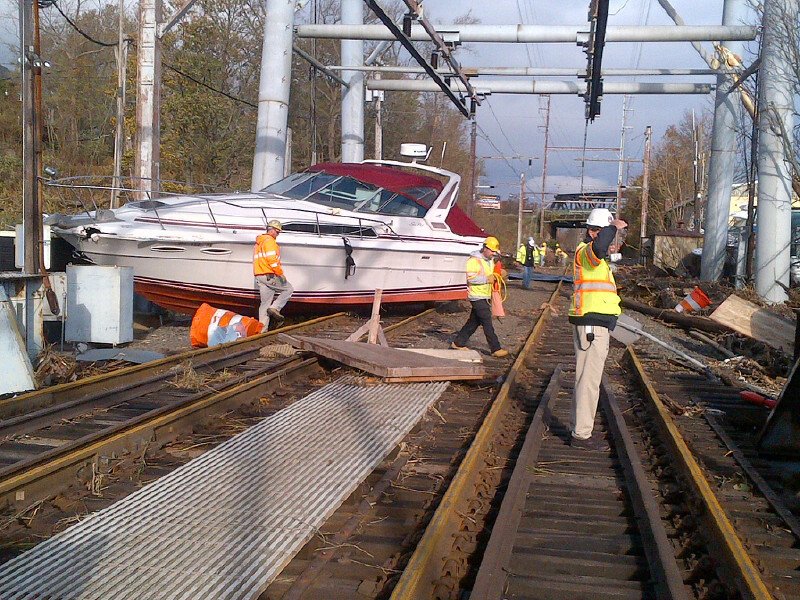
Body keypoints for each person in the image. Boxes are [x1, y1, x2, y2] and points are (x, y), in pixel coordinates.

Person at [568, 208, 628, 450]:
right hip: (591, 325)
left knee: (589, 379)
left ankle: (581, 430)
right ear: (596, 232)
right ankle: (581, 435)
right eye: (607, 233)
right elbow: (600, 249)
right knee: (588, 381)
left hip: (596, 323)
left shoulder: (595, 258)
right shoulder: (586, 252)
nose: (614, 240)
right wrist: (614, 226)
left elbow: (605, 253)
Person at [452, 237, 509, 358]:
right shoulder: (473, 261)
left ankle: (458, 342)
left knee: (474, 322)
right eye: (492, 251)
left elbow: (492, 273)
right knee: (487, 321)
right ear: (485, 248)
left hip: (484, 295)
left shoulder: (489, 260)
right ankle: (495, 348)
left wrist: (500, 274)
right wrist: (487, 279)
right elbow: (471, 278)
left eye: (495, 252)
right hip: (476, 296)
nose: (494, 254)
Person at [253, 220, 294, 330]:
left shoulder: (260, 242)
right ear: (271, 230)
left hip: (259, 276)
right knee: (288, 289)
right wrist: (280, 273)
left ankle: (262, 330)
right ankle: (275, 308)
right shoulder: (270, 241)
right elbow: (271, 259)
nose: (278, 234)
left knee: (265, 304)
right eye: (277, 231)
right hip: (269, 275)